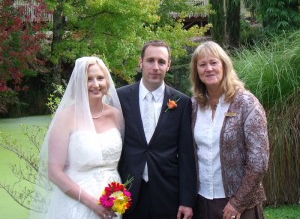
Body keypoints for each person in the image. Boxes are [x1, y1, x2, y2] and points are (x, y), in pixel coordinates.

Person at [29, 57, 124, 219]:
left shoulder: (116, 115)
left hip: (113, 202)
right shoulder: (65, 118)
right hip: (77, 202)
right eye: (89, 79)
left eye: (100, 78)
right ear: (79, 84)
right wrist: (91, 203)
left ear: (107, 81)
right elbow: (54, 172)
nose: (96, 84)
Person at [117, 40, 197, 219]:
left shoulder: (182, 102)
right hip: (128, 192)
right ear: (141, 62)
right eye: (150, 60)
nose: (155, 67)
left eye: (161, 62)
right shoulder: (120, 97)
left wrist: (186, 200)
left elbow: (186, 155)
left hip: (167, 192)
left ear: (168, 65)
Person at [189, 41, 269, 219]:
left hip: (239, 206)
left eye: (213, 62)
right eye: (202, 64)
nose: (208, 68)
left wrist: (237, 202)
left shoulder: (246, 103)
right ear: (196, 71)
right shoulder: (194, 106)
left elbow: (259, 161)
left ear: (224, 65)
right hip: (202, 201)